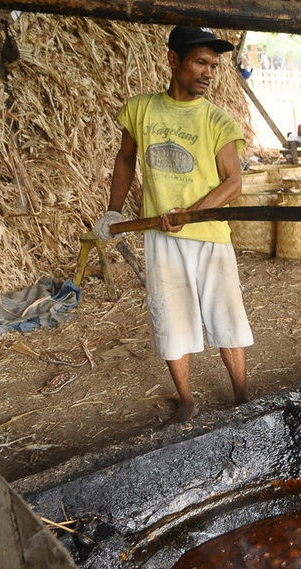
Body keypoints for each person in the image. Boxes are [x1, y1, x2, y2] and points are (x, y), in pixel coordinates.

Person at [94, 26, 253, 422]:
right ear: (172, 60)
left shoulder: (217, 121)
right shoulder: (141, 109)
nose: (208, 73)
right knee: (171, 318)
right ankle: (187, 402)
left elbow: (233, 182)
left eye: (213, 66)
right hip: (161, 236)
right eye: (200, 62)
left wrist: (191, 213)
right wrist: (114, 211)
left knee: (226, 316)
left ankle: (242, 396)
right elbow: (125, 159)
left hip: (210, 235)